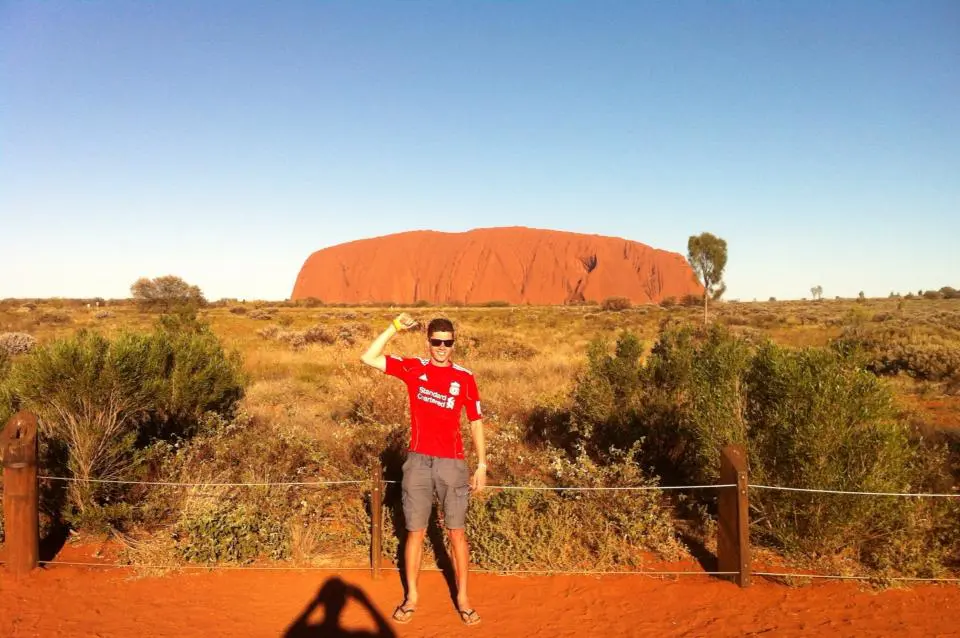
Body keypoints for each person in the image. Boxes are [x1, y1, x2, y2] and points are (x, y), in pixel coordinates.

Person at [360, 313, 486, 627]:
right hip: (417, 461)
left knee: (456, 532)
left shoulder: (465, 378)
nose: (442, 347)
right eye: (436, 341)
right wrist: (393, 327)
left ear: (454, 342)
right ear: (427, 341)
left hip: (452, 463)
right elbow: (368, 357)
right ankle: (411, 597)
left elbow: (475, 422)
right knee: (415, 531)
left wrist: (482, 463)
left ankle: (463, 598)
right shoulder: (415, 368)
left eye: (447, 342)